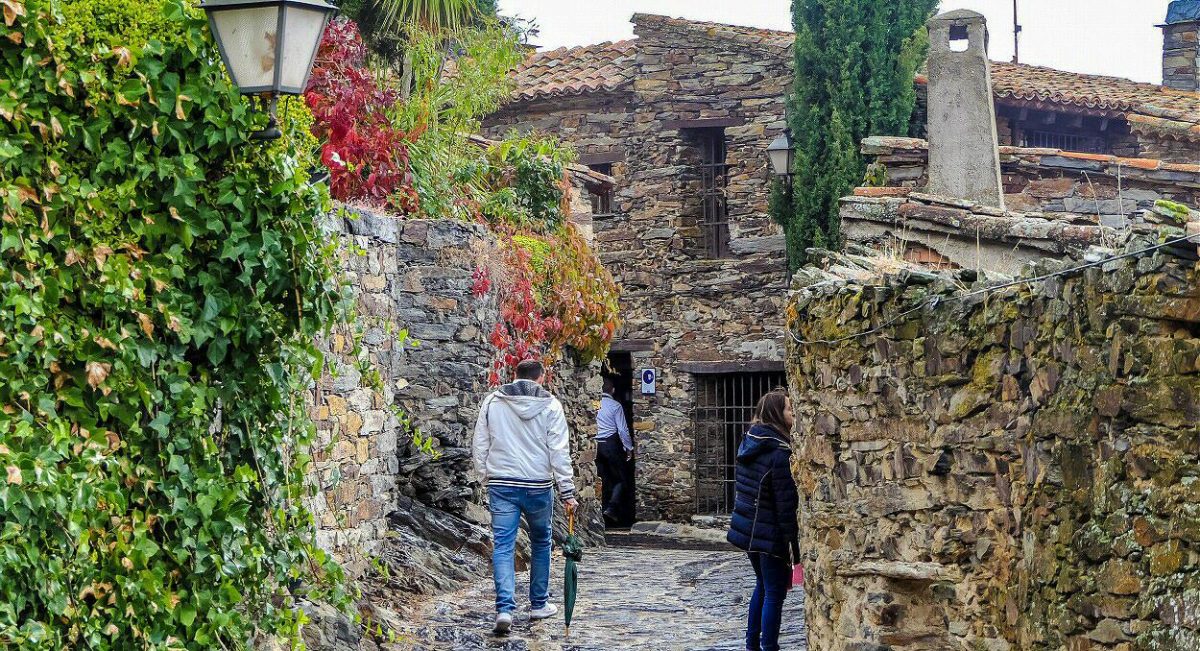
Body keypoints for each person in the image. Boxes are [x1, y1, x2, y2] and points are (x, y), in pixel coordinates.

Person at [472, 359, 579, 635]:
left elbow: (480, 442)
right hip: (538, 486)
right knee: (542, 542)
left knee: (504, 545)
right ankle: (538, 604)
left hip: (503, 484)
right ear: (541, 378)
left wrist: (485, 475)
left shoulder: (493, 402)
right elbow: (558, 451)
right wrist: (567, 491)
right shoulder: (551, 406)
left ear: (514, 376)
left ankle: (504, 609)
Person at [726, 389, 800, 651]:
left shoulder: (750, 442)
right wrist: (794, 547)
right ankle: (768, 647)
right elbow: (785, 505)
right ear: (777, 414)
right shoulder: (779, 453)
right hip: (768, 532)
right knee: (775, 592)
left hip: (748, 530)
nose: (794, 414)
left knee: (763, 585)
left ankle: (751, 644)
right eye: (790, 410)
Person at [595, 377, 634, 526]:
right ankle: (611, 508)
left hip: (596, 445)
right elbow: (622, 429)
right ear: (613, 390)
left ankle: (601, 509)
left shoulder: (595, 404)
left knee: (602, 479)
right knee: (619, 479)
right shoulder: (615, 405)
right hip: (611, 445)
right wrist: (628, 448)